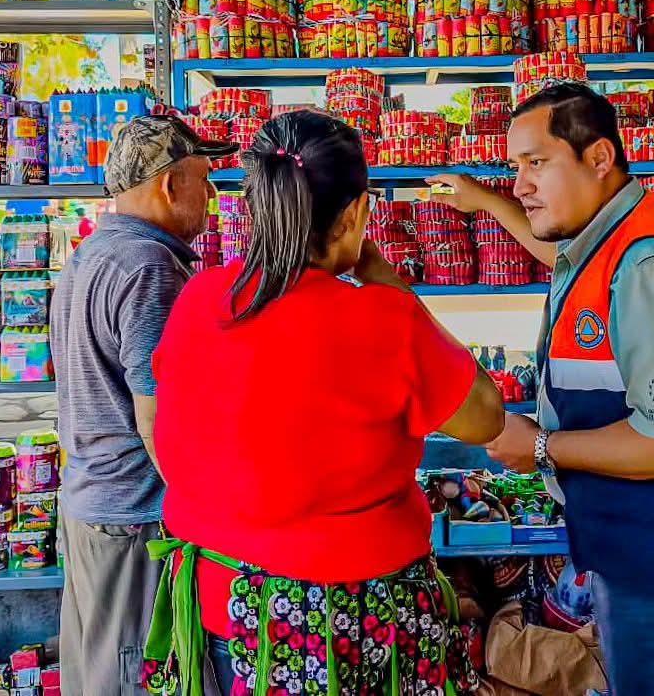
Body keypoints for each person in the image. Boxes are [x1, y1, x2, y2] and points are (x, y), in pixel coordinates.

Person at [145, 110, 505, 694]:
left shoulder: (200, 298)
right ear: (356, 213)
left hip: (227, 612)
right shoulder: (382, 320)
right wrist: (392, 285)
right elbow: (485, 416)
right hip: (354, 627)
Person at [430, 83, 654, 696]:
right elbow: (551, 251)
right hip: (643, 549)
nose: (521, 184)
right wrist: (485, 203)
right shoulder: (606, 239)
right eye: (515, 167)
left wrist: (539, 447)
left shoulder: (653, 269)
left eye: (536, 162)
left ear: (600, 157)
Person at [50, 114, 237, 695]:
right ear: (169, 184)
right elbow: (159, 415)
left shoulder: (91, 254)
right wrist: (208, 510)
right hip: (135, 517)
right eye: (204, 179)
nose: (211, 195)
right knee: (140, 674)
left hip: (91, 504)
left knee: (100, 670)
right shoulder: (149, 267)